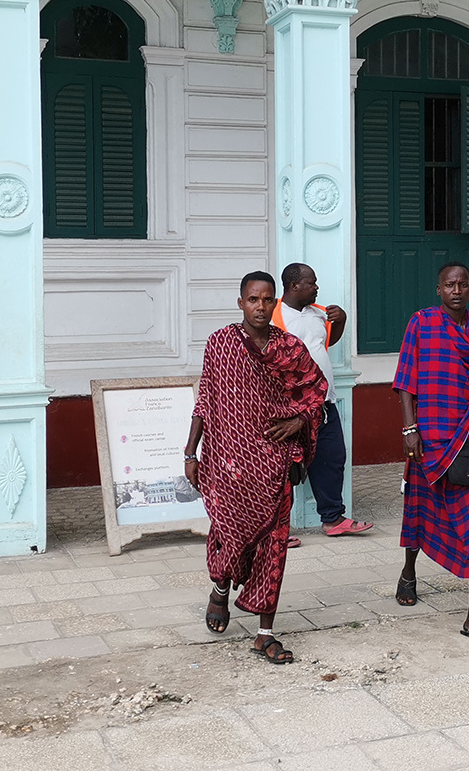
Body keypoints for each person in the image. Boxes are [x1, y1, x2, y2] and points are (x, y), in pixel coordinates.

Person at [183, 271, 328, 664]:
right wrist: (190, 452)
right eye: (252, 299)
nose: (260, 307)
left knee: (274, 545)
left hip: (273, 463)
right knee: (230, 533)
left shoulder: (290, 348)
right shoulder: (222, 343)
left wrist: (299, 420)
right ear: (241, 302)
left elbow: (316, 390)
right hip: (228, 463)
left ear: (275, 302)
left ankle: (265, 633)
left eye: (267, 300)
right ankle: (220, 587)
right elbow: (206, 399)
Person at [393, 261, 469, 645]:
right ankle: (409, 570)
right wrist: (410, 430)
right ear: (438, 290)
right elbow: (407, 380)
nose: (456, 290)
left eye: (462, 284)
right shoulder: (421, 324)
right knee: (419, 510)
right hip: (428, 441)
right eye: (449, 285)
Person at [273, 262, 374, 539]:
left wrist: (340, 322)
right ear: (295, 286)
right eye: (312, 283)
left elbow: (325, 343)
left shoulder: (319, 314)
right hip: (291, 408)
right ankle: (276, 533)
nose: (317, 288)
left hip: (324, 403)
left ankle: (332, 519)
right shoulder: (274, 316)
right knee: (283, 467)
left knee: (332, 457)